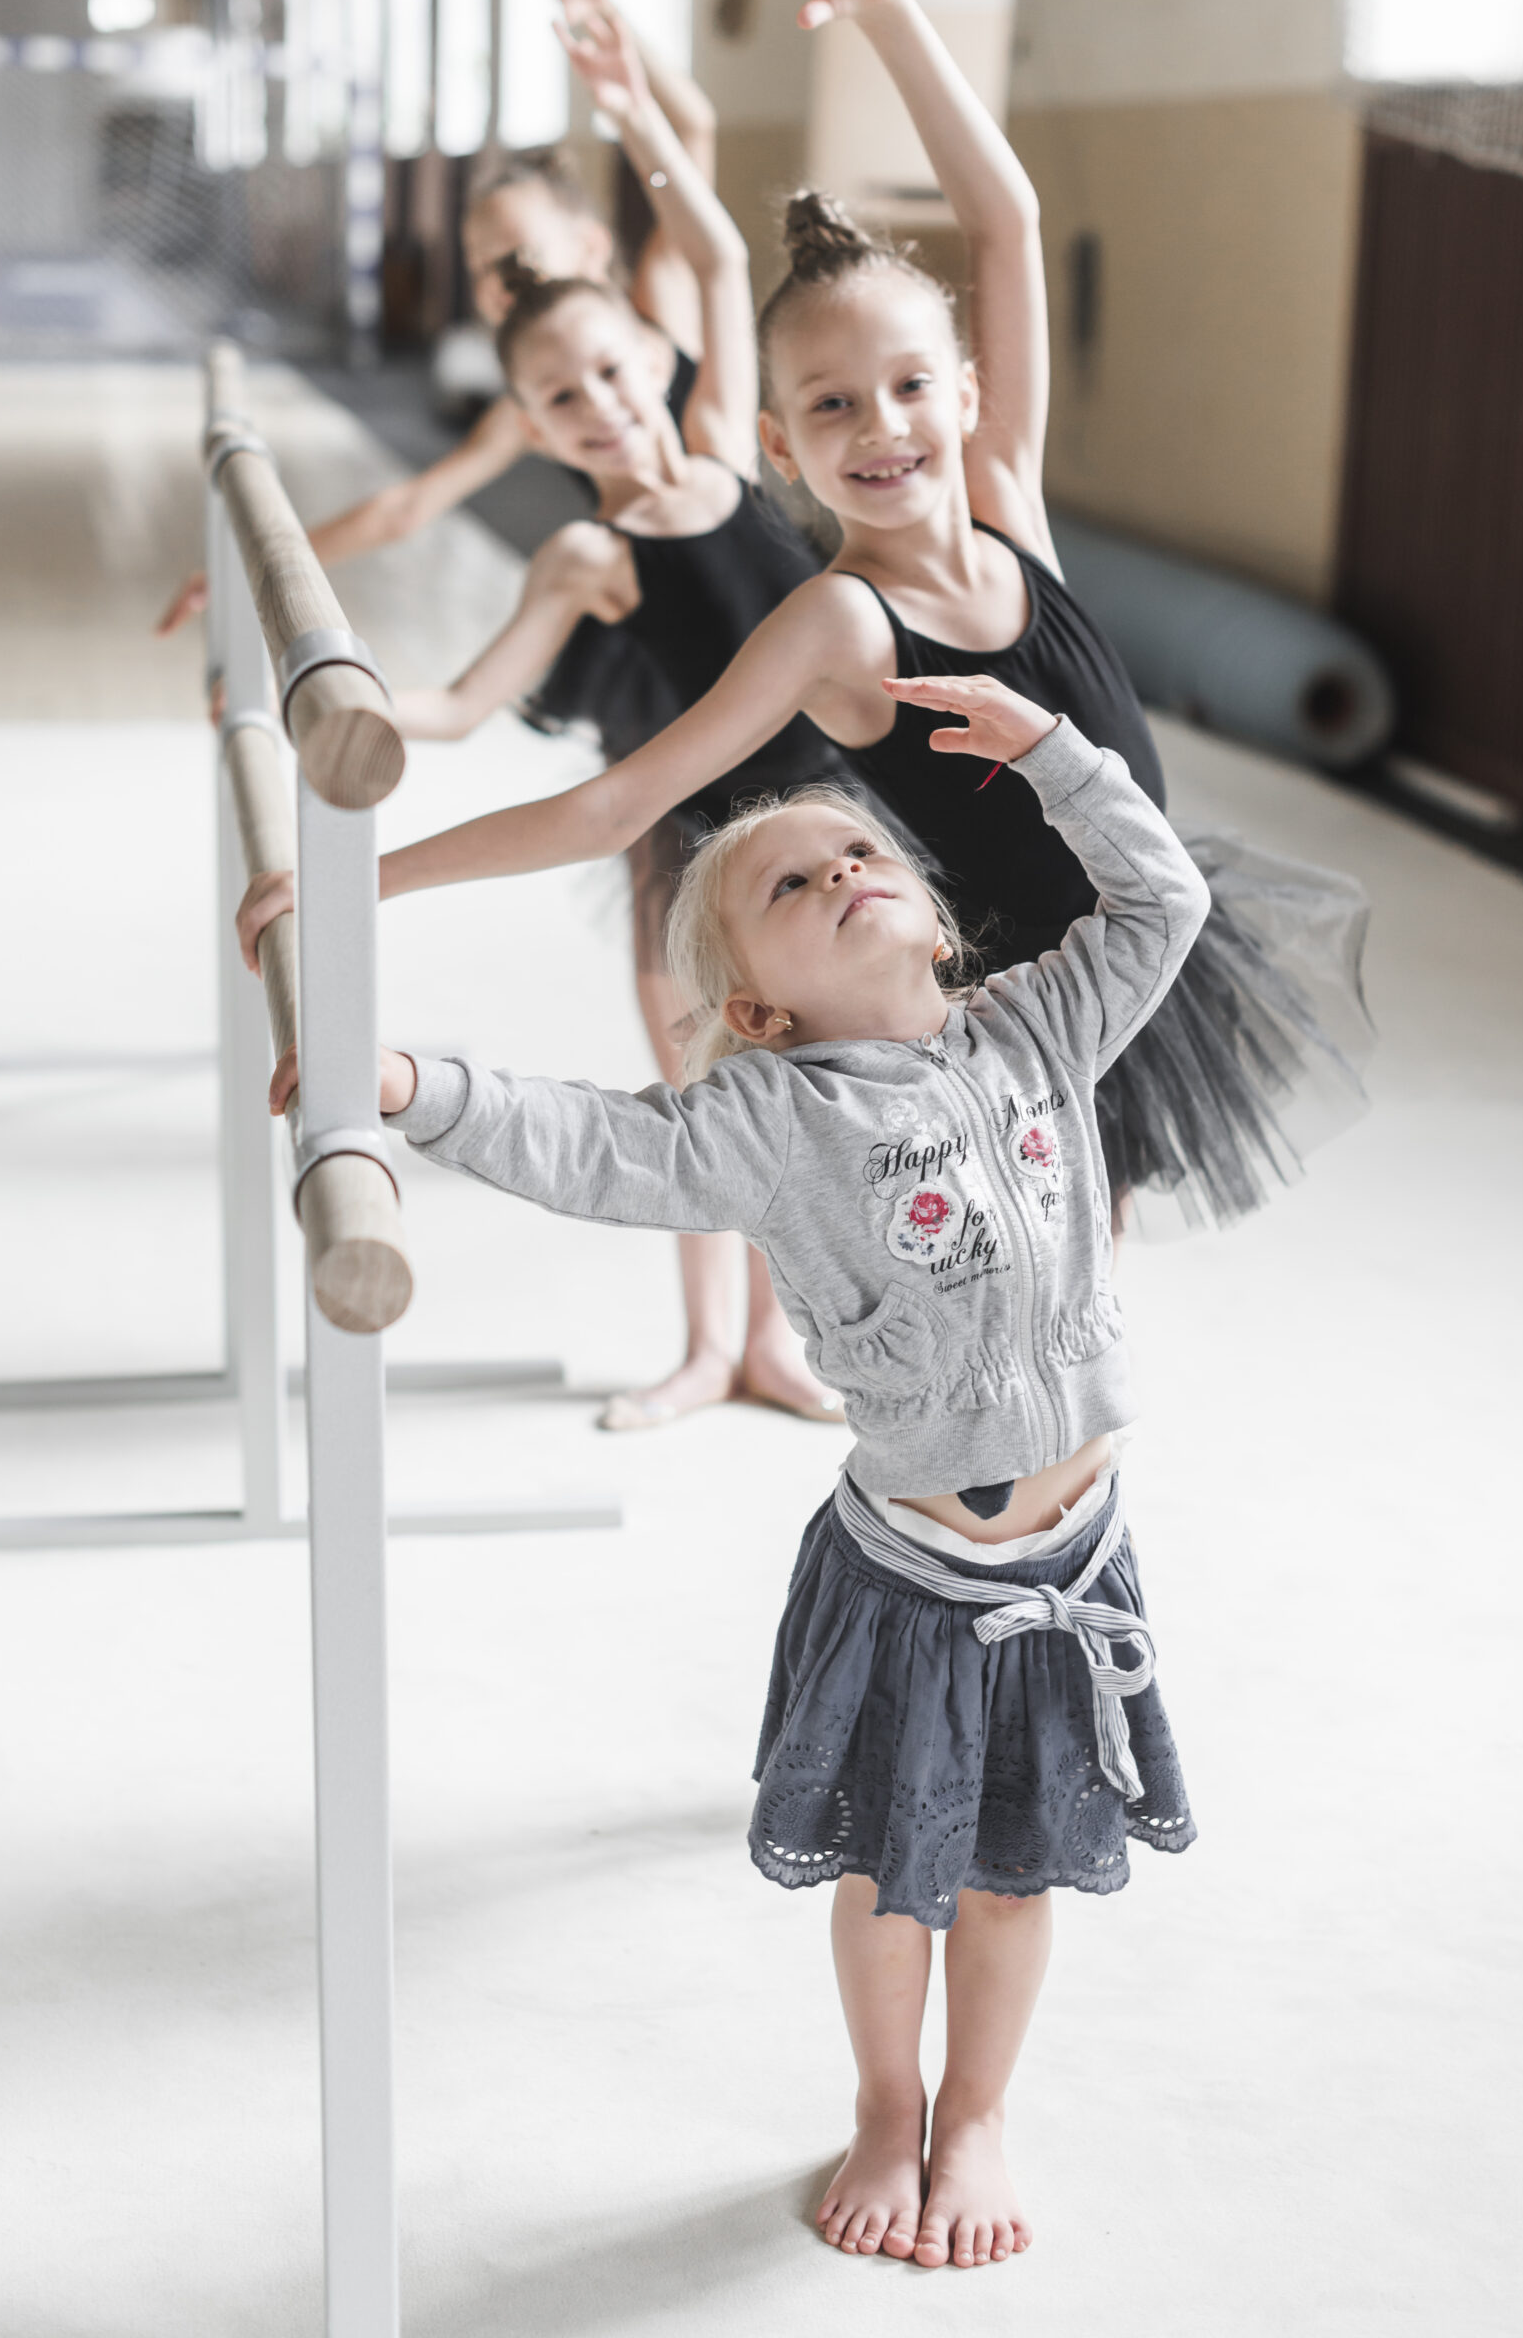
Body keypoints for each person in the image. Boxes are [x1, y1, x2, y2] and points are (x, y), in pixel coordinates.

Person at [271, 677, 1208, 2267]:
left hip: (1073, 1563)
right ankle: (883, 2101)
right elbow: (596, 1144)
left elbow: (1163, 897)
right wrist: (416, 1086)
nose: (843, 868)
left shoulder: (1039, 1031)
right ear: (759, 1009)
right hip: (922, 1578)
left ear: (931, 908)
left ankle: (976, 2111)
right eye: (792, 884)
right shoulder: (769, 1118)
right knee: (898, 1876)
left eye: (857, 849)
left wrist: (1055, 758)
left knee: (1011, 1875)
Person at [246, 0, 1370, 1238]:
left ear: (965, 394)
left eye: (908, 389)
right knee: (1038, 1281)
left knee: (1086, 1286)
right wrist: (362, 879)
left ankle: (1064, 1452)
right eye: (832, 407)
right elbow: (619, 801)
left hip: (1144, 937)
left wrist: (892, 11)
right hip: (1001, 1008)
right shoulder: (839, 621)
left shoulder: (1006, 494)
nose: (882, 428)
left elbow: (1004, 226)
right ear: (780, 443)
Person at [380, 0, 865, 1428]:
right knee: (705, 1101)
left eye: (606, 371)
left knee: (821, 1093)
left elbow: (715, 249)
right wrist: (335, 689)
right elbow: (465, 709)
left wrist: (634, 109)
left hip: (833, 814)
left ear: (648, 360)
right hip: (692, 854)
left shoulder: (723, 436)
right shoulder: (584, 557)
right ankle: (706, 1346)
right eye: (557, 399)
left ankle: (778, 1346)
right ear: (531, 427)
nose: (597, 404)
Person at [154, 0, 715, 638]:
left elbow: (694, 132)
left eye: (517, 257)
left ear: (593, 249)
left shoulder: (665, 300)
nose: (493, 282)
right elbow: (408, 507)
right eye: (478, 265)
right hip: (656, 606)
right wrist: (255, 569)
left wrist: (602, 11)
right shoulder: (533, 403)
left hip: (739, 570)